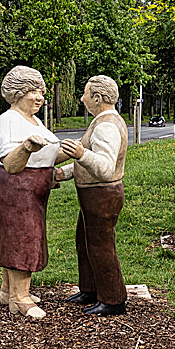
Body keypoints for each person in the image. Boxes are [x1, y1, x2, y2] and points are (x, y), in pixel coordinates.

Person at [0, 66, 69, 319]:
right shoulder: (7, 120)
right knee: (22, 240)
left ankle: (8, 290)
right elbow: (11, 164)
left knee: (19, 237)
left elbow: (47, 155)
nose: (39, 97)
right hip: (15, 189)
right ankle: (20, 298)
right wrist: (26, 147)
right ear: (17, 93)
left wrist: (75, 151)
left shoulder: (35, 121)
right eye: (33, 92)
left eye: (41, 92)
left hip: (33, 190)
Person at [56, 75, 129, 316]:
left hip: (102, 196)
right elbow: (89, 162)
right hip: (93, 195)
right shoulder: (101, 122)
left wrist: (79, 154)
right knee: (85, 242)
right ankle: (90, 289)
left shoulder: (106, 126)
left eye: (86, 93)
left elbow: (105, 167)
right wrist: (64, 174)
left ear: (97, 98)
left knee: (100, 246)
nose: (81, 98)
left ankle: (112, 299)